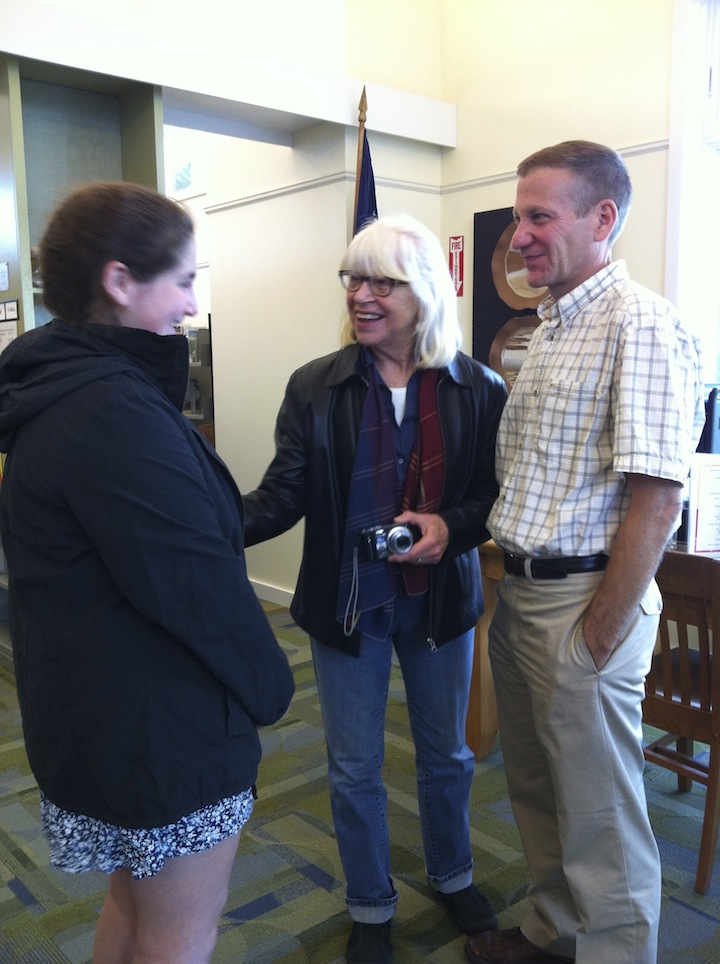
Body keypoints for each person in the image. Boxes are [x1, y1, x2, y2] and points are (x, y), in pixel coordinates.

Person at [0, 182, 295, 964]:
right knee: (178, 930)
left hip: (107, 714)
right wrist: (271, 685)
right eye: (185, 280)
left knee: (132, 911)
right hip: (160, 733)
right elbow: (194, 586)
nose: (192, 306)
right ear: (120, 281)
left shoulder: (64, 388)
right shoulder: (112, 410)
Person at [243, 213, 507, 964]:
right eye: (352, 278)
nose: (360, 295)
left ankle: (452, 872)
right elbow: (281, 496)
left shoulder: (477, 387)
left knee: (447, 756)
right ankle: (370, 901)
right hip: (348, 603)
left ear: (422, 292)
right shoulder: (316, 386)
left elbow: (493, 492)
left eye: (380, 282)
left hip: (440, 602)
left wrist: (450, 526)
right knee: (354, 765)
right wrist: (201, 529)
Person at [465, 141, 704, 964]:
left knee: (601, 818)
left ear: (602, 218)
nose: (519, 236)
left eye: (540, 216)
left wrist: (598, 636)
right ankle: (552, 934)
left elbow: (658, 497)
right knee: (537, 792)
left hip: (584, 608)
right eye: (517, 216)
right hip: (525, 599)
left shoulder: (640, 322)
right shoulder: (550, 328)